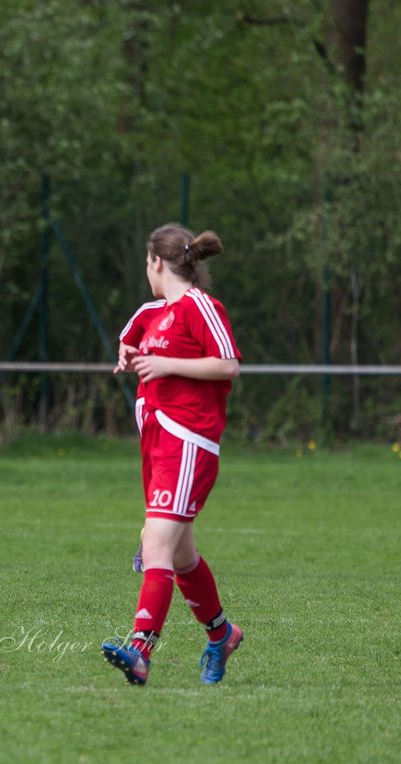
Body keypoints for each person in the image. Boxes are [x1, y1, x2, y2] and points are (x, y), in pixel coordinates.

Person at [102, 224, 244, 685]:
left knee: (157, 544)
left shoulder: (201, 306)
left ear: (157, 263)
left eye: (147, 264)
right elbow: (132, 339)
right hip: (158, 444)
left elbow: (227, 365)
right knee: (181, 556)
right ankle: (221, 635)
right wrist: (128, 355)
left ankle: (140, 650)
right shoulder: (153, 313)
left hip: (188, 441)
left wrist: (165, 365)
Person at [116, 299, 165, 573]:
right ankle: (153, 547)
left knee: (185, 482)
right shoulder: (149, 311)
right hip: (152, 404)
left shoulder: (202, 309)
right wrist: (137, 359)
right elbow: (125, 350)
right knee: (162, 473)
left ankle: (155, 540)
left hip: (189, 409)